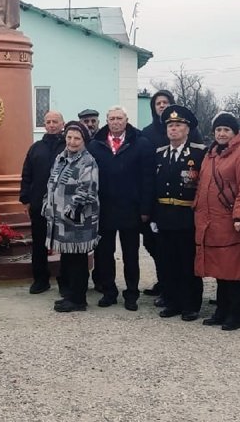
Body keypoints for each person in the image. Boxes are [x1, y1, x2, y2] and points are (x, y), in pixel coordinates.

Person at [88, 106, 155, 311]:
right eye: (112, 118)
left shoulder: (141, 143)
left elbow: (148, 178)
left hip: (131, 208)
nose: (115, 122)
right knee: (105, 254)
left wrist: (145, 208)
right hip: (104, 209)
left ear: (126, 120)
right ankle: (109, 291)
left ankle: (131, 293)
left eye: (119, 118)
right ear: (107, 121)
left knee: (130, 254)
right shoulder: (95, 145)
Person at [195, 112, 240, 331]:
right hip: (211, 221)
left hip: (231, 221)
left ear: (235, 133)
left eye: (226, 130)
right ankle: (221, 310)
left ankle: (234, 314)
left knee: (234, 272)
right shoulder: (211, 155)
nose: (221, 134)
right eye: (218, 130)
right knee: (220, 271)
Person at [144, 105, 206, 321]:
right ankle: (172, 301)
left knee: (187, 262)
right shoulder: (160, 154)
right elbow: (151, 186)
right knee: (167, 262)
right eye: (170, 125)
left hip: (187, 216)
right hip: (164, 216)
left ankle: (190, 305)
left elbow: (202, 186)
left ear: (187, 129)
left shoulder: (199, 153)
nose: (173, 129)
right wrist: (152, 216)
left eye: (178, 125)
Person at [42, 121, 100, 313]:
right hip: (59, 221)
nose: (72, 142)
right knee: (67, 260)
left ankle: (78, 300)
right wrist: (47, 205)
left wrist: (70, 211)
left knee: (78, 262)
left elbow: (88, 190)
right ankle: (69, 295)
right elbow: (52, 184)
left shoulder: (88, 161)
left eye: (77, 138)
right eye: (69, 137)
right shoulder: (60, 158)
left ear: (84, 140)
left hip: (77, 222)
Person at [20, 110, 66, 294]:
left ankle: (65, 281)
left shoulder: (68, 146)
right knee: (39, 243)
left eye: (55, 121)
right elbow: (26, 174)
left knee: (64, 244)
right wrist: (25, 198)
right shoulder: (36, 148)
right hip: (39, 204)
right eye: (48, 122)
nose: (52, 125)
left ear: (62, 124)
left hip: (63, 205)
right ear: (44, 125)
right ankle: (40, 279)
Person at [138, 90, 175, 299]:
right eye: (158, 103)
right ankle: (163, 282)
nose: (161, 106)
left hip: (178, 201)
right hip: (153, 198)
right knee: (152, 243)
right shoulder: (147, 133)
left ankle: (174, 286)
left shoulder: (189, 130)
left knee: (173, 247)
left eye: (165, 102)